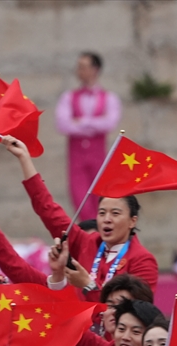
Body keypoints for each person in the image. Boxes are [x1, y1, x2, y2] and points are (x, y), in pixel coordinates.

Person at [3, 136, 157, 301]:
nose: (107, 219)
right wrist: (24, 158)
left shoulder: (142, 261)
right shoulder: (87, 243)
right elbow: (48, 209)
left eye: (115, 213)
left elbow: (135, 313)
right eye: (102, 212)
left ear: (132, 221)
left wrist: (88, 285)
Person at [55, 52, 121, 221]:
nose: (79, 71)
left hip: (98, 159)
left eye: (83, 67)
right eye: (79, 67)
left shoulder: (109, 98)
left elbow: (110, 123)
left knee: (101, 201)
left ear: (95, 69)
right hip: (76, 161)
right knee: (80, 202)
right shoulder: (69, 97)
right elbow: (63, 125)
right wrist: (94, 124)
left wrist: (81, 122)